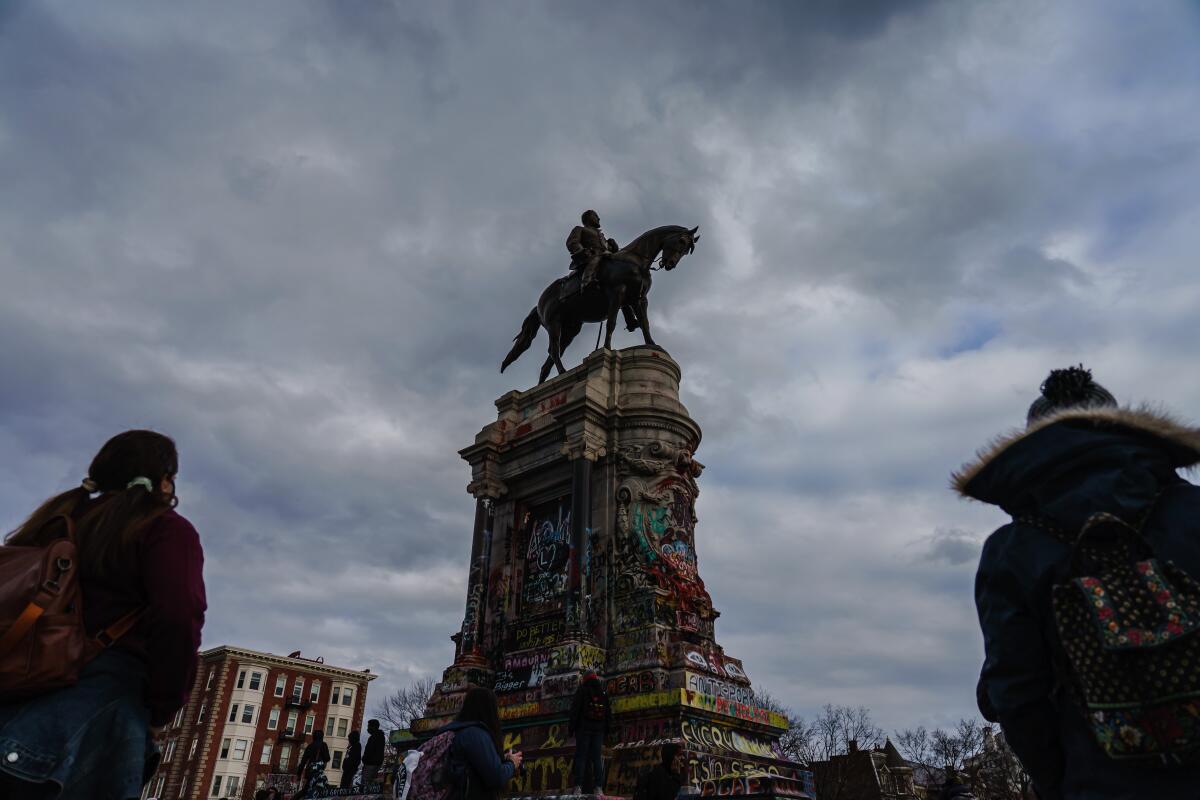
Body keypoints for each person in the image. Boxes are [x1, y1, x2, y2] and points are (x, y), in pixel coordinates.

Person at [960, 365, 1200, 799]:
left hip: (1101, 782)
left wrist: (1056, 783)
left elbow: (1016, 694)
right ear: (1123, 427)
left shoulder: (1013, 551)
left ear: (1034, 447)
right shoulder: (1193, 513)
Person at [0, 430, 206, 799]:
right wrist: (162, 709)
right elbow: (179, 617)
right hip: (94, 711)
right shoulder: (163, 530)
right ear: (164, 481)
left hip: (14, 695)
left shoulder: (56, 521)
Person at [442, 687, 522, 800]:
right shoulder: (475, 734)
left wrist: (499, 760)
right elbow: (496, 777)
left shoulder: (451, 731)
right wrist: (512, 763)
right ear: (490, 709)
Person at [569, 672, 611, 794]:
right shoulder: (603, 693)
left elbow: (575, 711)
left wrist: (571, 729)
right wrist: (607, 730)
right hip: (598, 731)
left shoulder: (582, 691)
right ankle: (599, 787)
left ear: (585, 679)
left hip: (584, 730)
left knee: (581, 757)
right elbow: (608, 713)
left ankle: (578, 786)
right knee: (597, 758)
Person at [566, 209, 619, 290]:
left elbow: (606, 248)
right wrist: (582, 250)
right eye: (596, 216)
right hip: (590, 256)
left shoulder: (601, 236)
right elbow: (572, 242)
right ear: (588, 218)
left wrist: (613, 247)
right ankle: (586, 283)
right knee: (595, 259)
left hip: (605, 255)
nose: (598, 219)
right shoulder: (580, 229)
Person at [361, 718, 386, 785]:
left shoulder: (375, 737)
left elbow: (370, 751)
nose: (368, 728)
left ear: (373, 727)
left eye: (369, 726)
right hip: (373, 763)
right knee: (369, 782)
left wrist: (365, 759)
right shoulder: (378, 736)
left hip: (371, 764)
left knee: (366, 783)